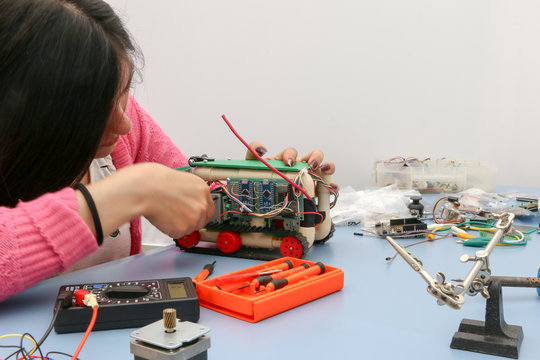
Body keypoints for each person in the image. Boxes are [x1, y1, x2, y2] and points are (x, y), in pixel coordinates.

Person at [0, 0, 336, 302]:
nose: (124, 125)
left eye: (123, 93)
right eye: (98, 108)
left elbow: (196, 205)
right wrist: (127, 193)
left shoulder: (126, 123)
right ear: (31, 116)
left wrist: (260, 187)